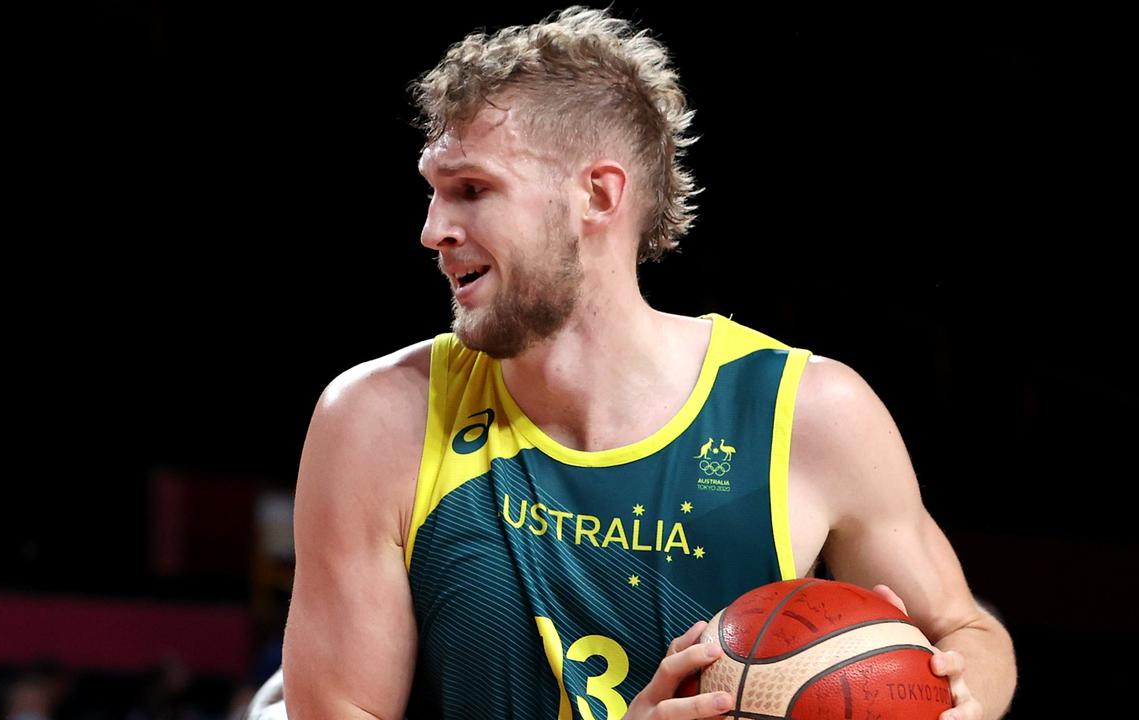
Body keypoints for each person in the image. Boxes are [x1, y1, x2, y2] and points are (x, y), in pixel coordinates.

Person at [263, 6, 1017, 719]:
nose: (432, 229)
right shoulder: (374, 420)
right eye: (434, 191)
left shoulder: (808, 412)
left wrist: (965, 690)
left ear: (596, 194)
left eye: (472, 190)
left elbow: (965, 631)